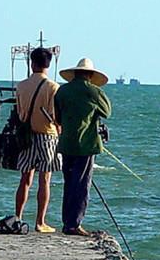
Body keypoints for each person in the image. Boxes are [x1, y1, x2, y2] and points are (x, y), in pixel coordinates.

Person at [54, 58, 112, 236]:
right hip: (86, 145)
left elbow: (57, 118)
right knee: (82, 185)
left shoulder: (62, 91)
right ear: (90, 75)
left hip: (66, 144)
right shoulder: (94, 91)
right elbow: (107, 112)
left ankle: (67, 222)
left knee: (69, 183)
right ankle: (74, 224)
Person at [13, 47, 61, 233]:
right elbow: (55, 116)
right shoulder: (52, 87)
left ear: (31, 63)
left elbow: (18, 112)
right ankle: (40, 222)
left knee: (25, 178)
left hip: (26, 136)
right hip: (47, 136)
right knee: (45, 179)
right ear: (48, 64)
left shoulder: (21, 85)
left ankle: (18, 218)